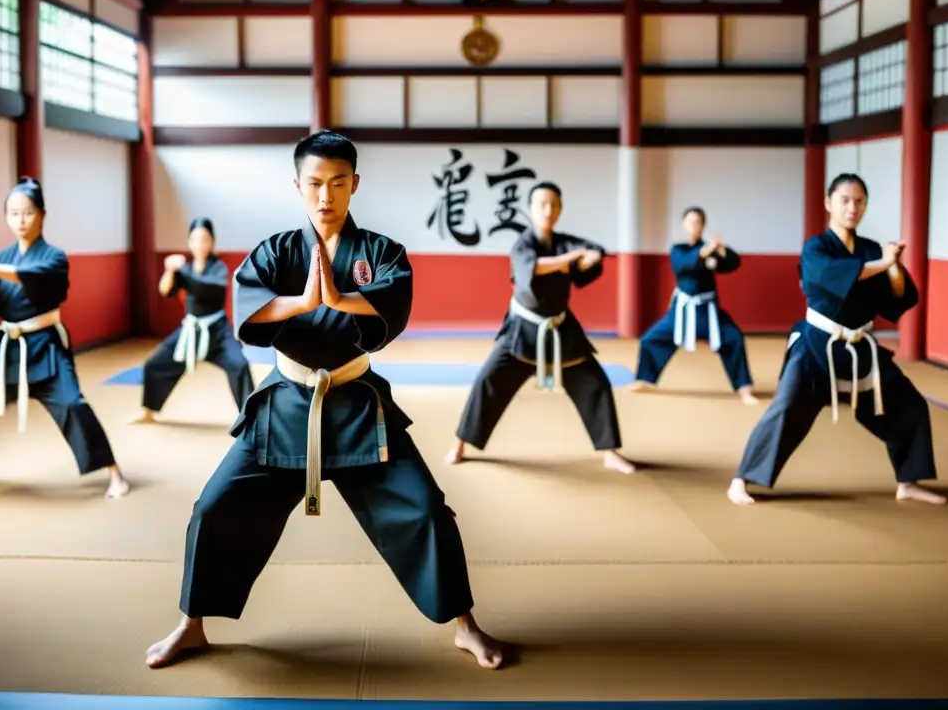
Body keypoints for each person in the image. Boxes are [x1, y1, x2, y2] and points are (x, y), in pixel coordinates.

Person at [145, 131, 503, 671]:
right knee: (214, 508)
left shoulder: (381, 252)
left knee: (426, 507)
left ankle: (465, 624)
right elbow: (248, 308)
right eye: (314, 184)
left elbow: (392, 303)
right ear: (297, 185)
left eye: (338, 183)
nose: (325, 196)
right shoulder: (277, 251)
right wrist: (300, 302)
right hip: (285, 405)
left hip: (358, 407)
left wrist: (340, 298)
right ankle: (191, 624)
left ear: (355, 184)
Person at [727, 173, 946, 506]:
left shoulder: (872, 249)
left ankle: (908, 481)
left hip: (860, 348)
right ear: (829, 203)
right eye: (845, 200)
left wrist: (895, 267)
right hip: (817, 345)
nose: (852, 207)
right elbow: (833, 276)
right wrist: (884, 262)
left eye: (859, 201)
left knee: (909, 405)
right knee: (787, 408)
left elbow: (898, 298)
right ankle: (741, 479)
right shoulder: (816, 248)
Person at [0, 177, 130, 498]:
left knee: (72, 405)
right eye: (13, 213)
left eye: (27, 213)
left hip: (45, 347)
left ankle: (114, 472)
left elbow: (41, 281)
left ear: (42, 214)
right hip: (6, 349)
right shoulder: (2, 257)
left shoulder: (53, 257)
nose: (20, 220)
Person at [445, 181, 636, 474]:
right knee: (488, 380)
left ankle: (609, 451)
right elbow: (533, 268)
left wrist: (592, 256)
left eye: (553, 204)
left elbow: (594, 250)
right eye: (542, 204)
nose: (548, 210)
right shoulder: (522, 245)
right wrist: (569, 261)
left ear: (560, 209)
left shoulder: (564, 242)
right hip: (523, 330)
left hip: (562, 330)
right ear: (531, 209)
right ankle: (460, 443)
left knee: (595, 382)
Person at [630, 207, 758, 405]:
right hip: (682, 311)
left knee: (733, 338)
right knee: (650, 339)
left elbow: (733, 263)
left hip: (709, 311)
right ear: (684, 225)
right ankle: (644, 379)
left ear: (703, 225)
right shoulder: (678, 249)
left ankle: (743, 389)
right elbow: (684, 265)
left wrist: (721, 249)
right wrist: (706, 250)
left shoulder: (712, 251)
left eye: (697, 222)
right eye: (690, 222)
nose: (694, 225)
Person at [132, 217, 255, 423]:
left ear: (212, 242)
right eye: (196, 240)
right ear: (189, 242)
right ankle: (148, 410)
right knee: (154, 363)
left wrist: (182, 275)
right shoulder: (185, 268)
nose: (200, 244)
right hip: (190, 331)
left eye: (205, 239)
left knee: (239, 365)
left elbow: (212, 289)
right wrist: (170, 270)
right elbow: (165, 290)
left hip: (217, 331)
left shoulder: (218, 268)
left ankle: (251, 418)